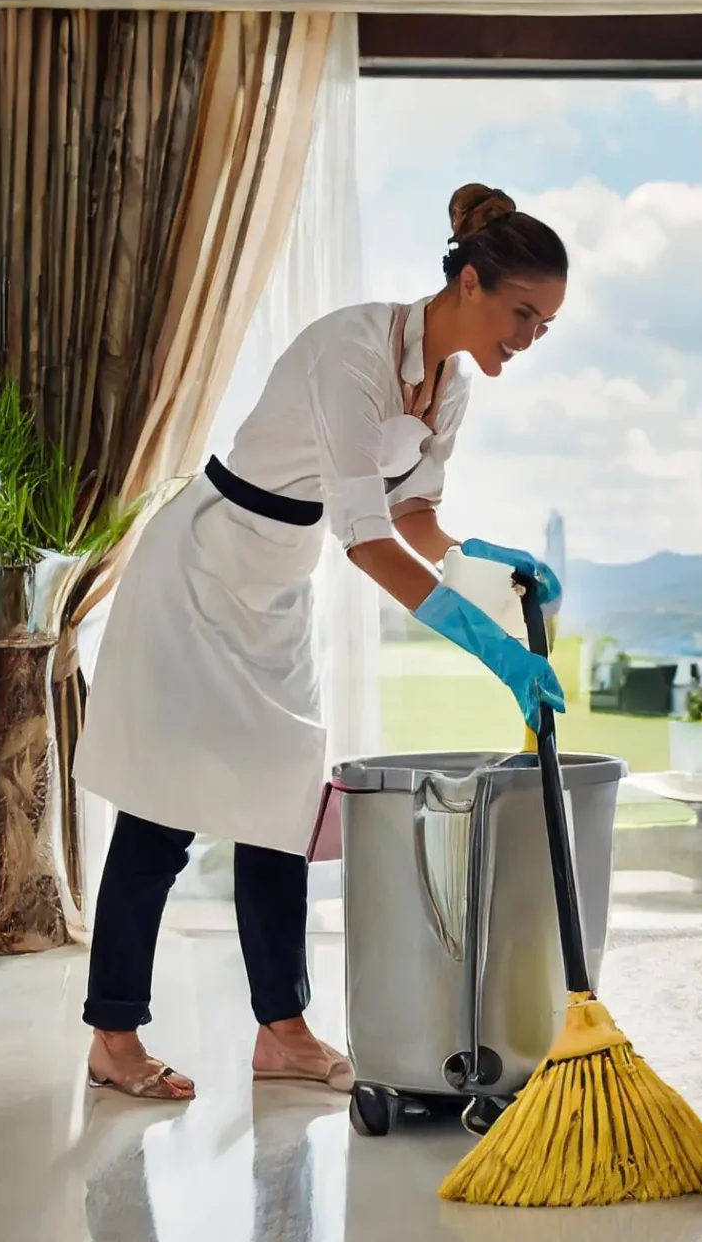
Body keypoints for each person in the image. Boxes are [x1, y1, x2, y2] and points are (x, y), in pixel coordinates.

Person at [71, 183, 570, 1100]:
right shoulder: (354, 350)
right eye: (524, 313)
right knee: (162, 808)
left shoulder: (448, 385)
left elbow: (415, 516)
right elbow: (367, 535)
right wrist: (491, 648)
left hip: (278, 580)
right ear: (470, 283)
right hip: (202, 566)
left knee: (286, 802)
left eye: (546, 324)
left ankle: (282, 1029)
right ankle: (113, 1034)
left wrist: (489, 570)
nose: (531, 336)